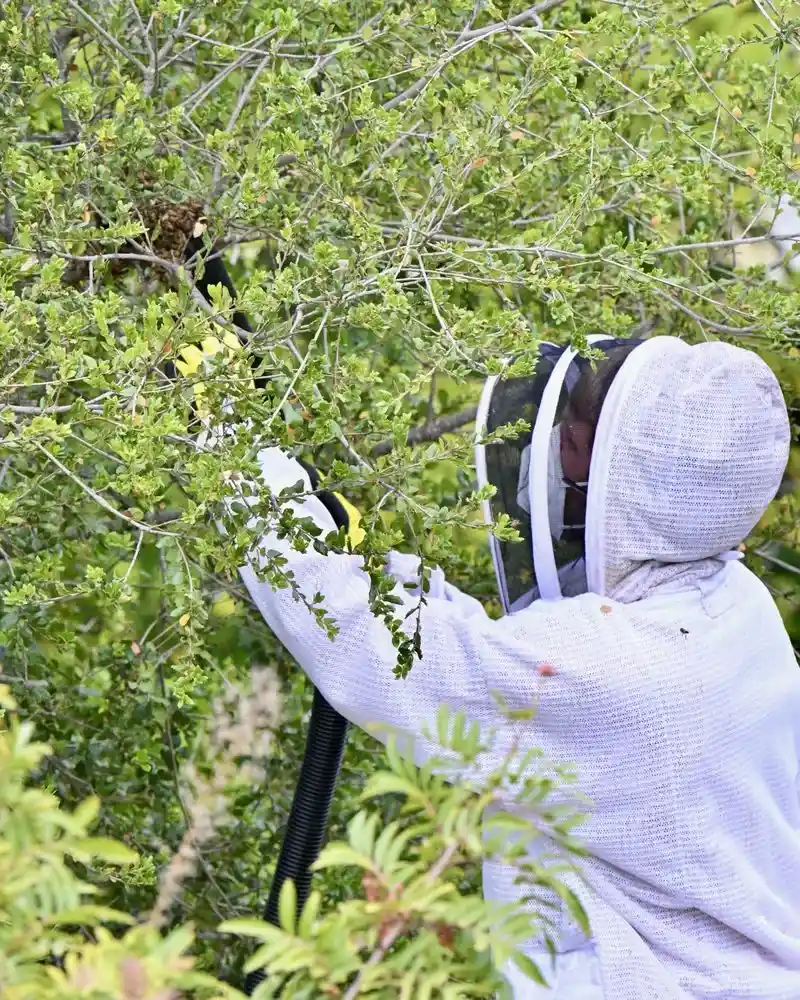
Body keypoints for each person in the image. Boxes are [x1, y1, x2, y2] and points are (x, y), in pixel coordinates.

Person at [220, 335, 800, 999]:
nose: (551, 449)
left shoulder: (619, 674)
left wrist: (231, 449)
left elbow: (367, 644)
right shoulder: (734, 608)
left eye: (576, 438)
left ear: (634, 478)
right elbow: (498, 653)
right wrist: (386, 571)